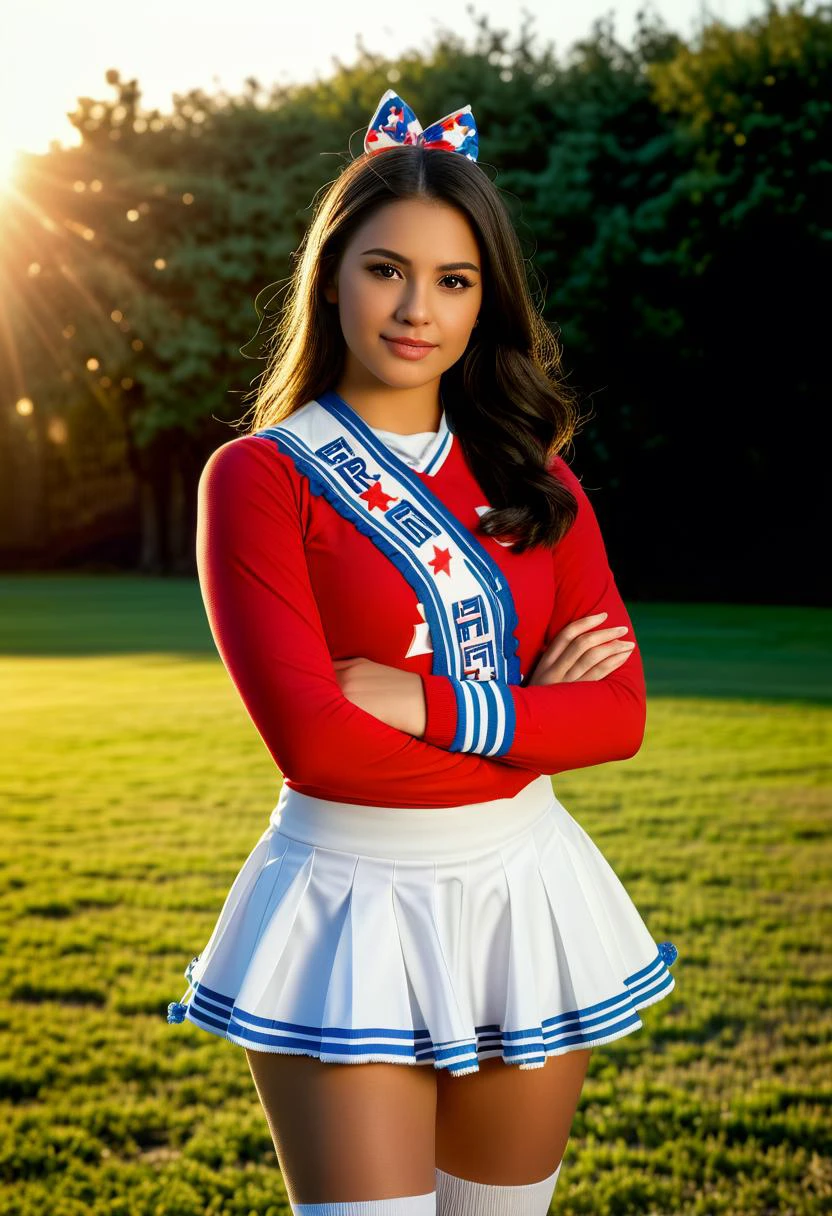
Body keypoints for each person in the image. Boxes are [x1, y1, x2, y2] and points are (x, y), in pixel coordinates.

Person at [166, 89, 678, 1216]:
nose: (417, 308)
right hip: (348, 901)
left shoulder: (540, 485)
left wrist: (419, 700)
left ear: (486, 299)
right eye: (385, 268)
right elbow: (319, 746)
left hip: (521, 892)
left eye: (455, 280)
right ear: (331, 275)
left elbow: (623, 716)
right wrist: (532, 721)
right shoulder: (259, 478)